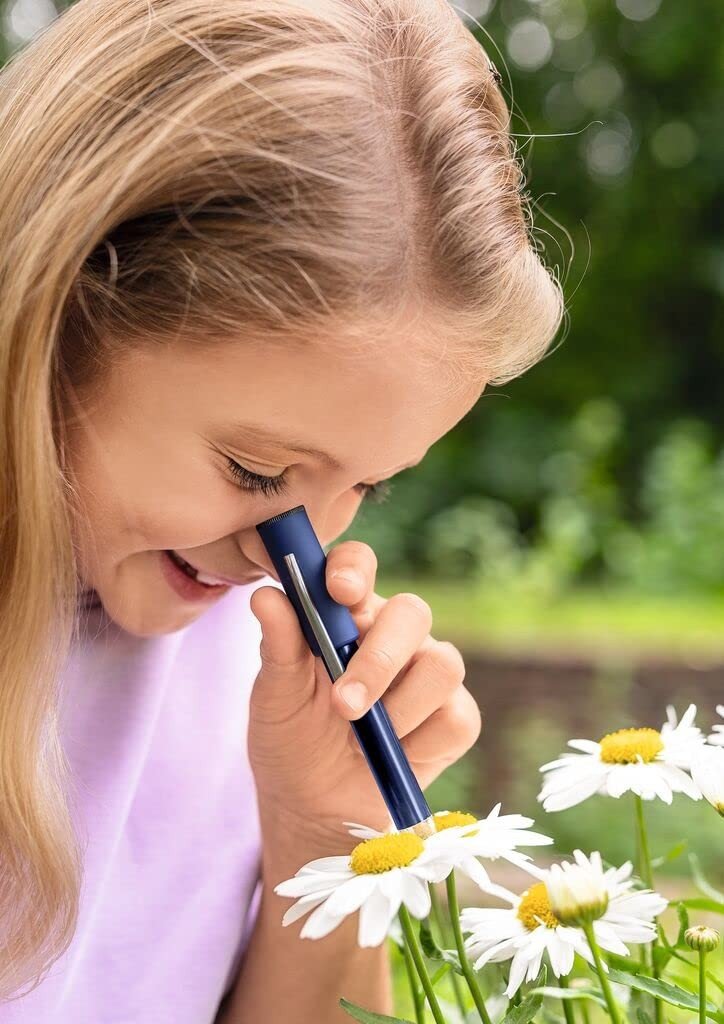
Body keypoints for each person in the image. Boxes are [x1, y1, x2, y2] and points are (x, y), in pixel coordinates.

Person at [0, 0, 563, 1020]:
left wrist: (323, 836)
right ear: (55, 311)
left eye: (369, 484)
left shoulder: (234, 657)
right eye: (257, 471)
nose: (288, 555)